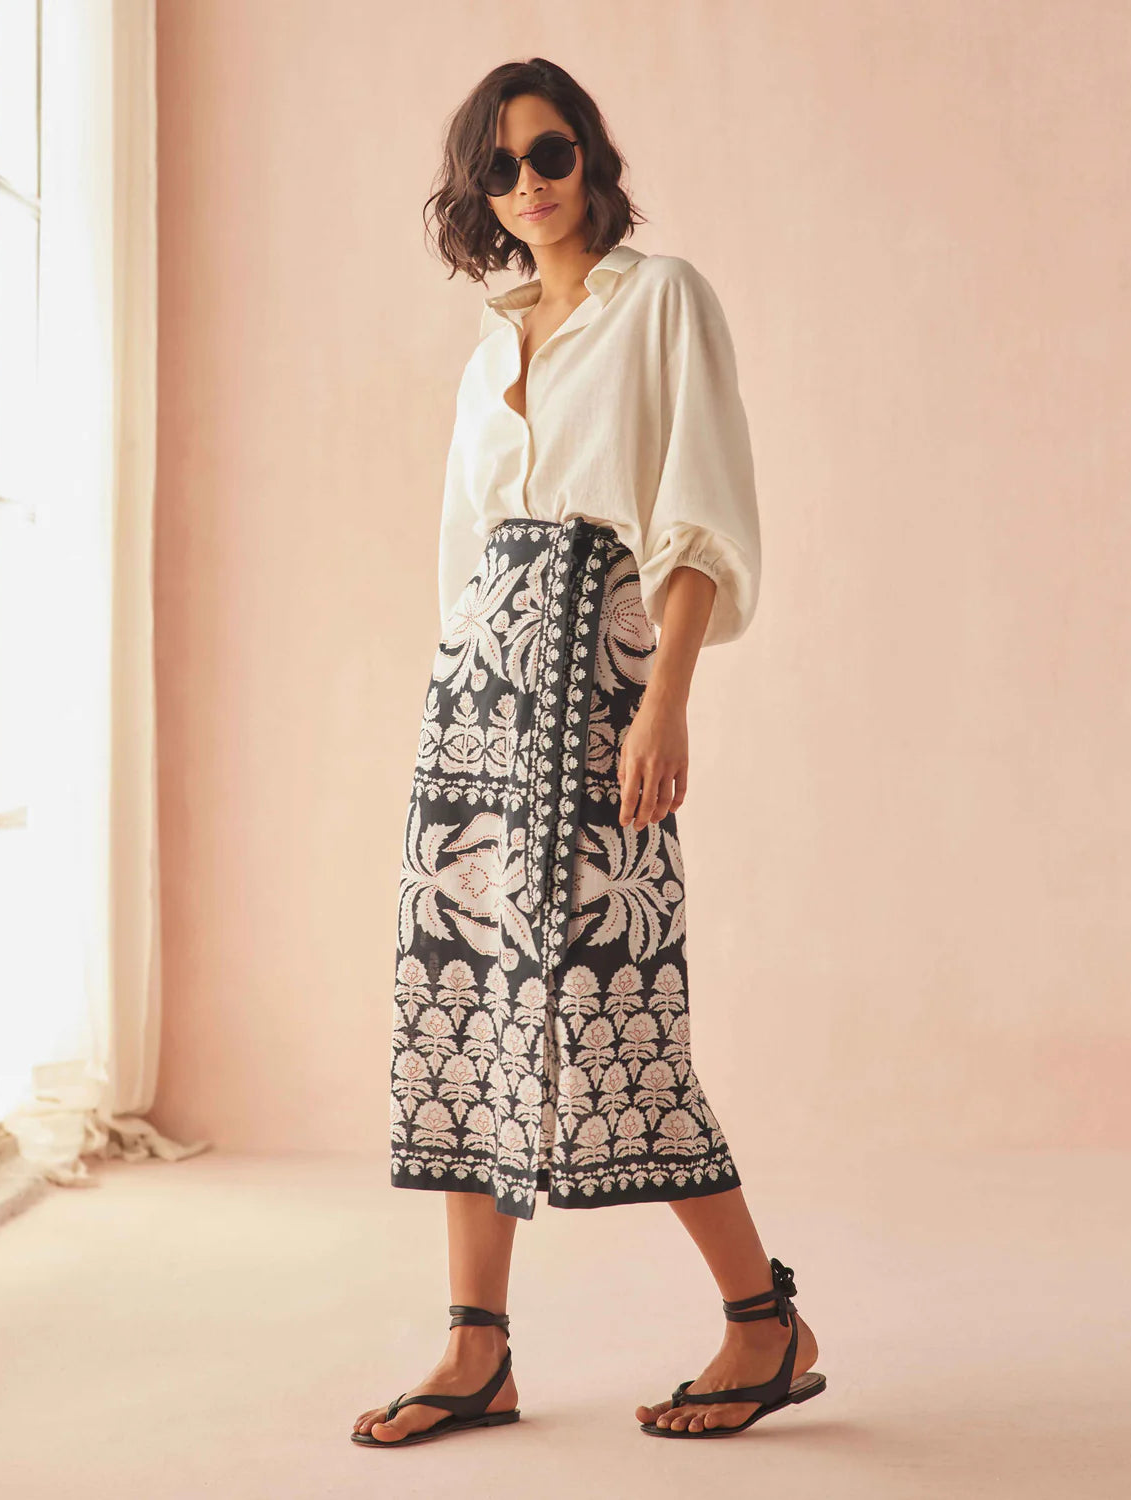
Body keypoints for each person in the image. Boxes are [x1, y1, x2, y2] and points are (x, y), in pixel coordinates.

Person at [351, 57, 825, 1448]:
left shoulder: (661, 298)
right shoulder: (491, 341)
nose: (529, 183)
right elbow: (463, 557)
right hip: (476, 701)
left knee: (613, 1003)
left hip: (600, 670)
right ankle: (475, 1351)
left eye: (549, 152)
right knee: (456, 1003)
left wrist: (664, 700)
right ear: (478, 192)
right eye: (499, 168)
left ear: (591, 156)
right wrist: (459, 699)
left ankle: (763, 1319)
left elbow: (699, 510)